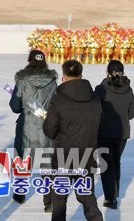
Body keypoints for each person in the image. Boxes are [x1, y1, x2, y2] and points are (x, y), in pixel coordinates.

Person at [43, 60, 103, 220]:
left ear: (63, 77)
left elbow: (49, 130)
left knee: (59, 198)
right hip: (86, 153)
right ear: (81, 75)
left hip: (64, 155)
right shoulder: (95, 99)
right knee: (87, 196)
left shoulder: (58, 100)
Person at [8, 49, 56, 209]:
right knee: (47, 162)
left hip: (26, 127)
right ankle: (48, 201)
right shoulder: (52, 81)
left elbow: (15, 106)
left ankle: (20, 193)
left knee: (22, 159)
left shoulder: (22, 80)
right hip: (46, 125)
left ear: (29, 61)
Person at [95, 59, 134, 210]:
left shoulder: (100, 89)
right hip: (122, 132)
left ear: (107, 72)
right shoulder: (129, 90)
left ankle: (111, 197)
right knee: (115, 162)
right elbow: (131, 113)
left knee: (106, 165)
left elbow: (94, 109)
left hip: (104, 132)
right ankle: (114, 193)